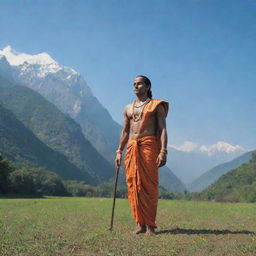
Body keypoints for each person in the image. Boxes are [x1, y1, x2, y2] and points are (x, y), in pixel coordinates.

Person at [115, 75, 169, 236]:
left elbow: (162, 130)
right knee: (133, 186)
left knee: (149, 187)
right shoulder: (128, 108)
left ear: (147, 87)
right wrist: (119, 150)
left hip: (148, 146)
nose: (136, 86)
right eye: (134, 84)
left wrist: (163, 151)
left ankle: (150, 226)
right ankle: (140, 224)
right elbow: (125, 131)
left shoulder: (156, 105)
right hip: (132, 147)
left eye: (139, 84)